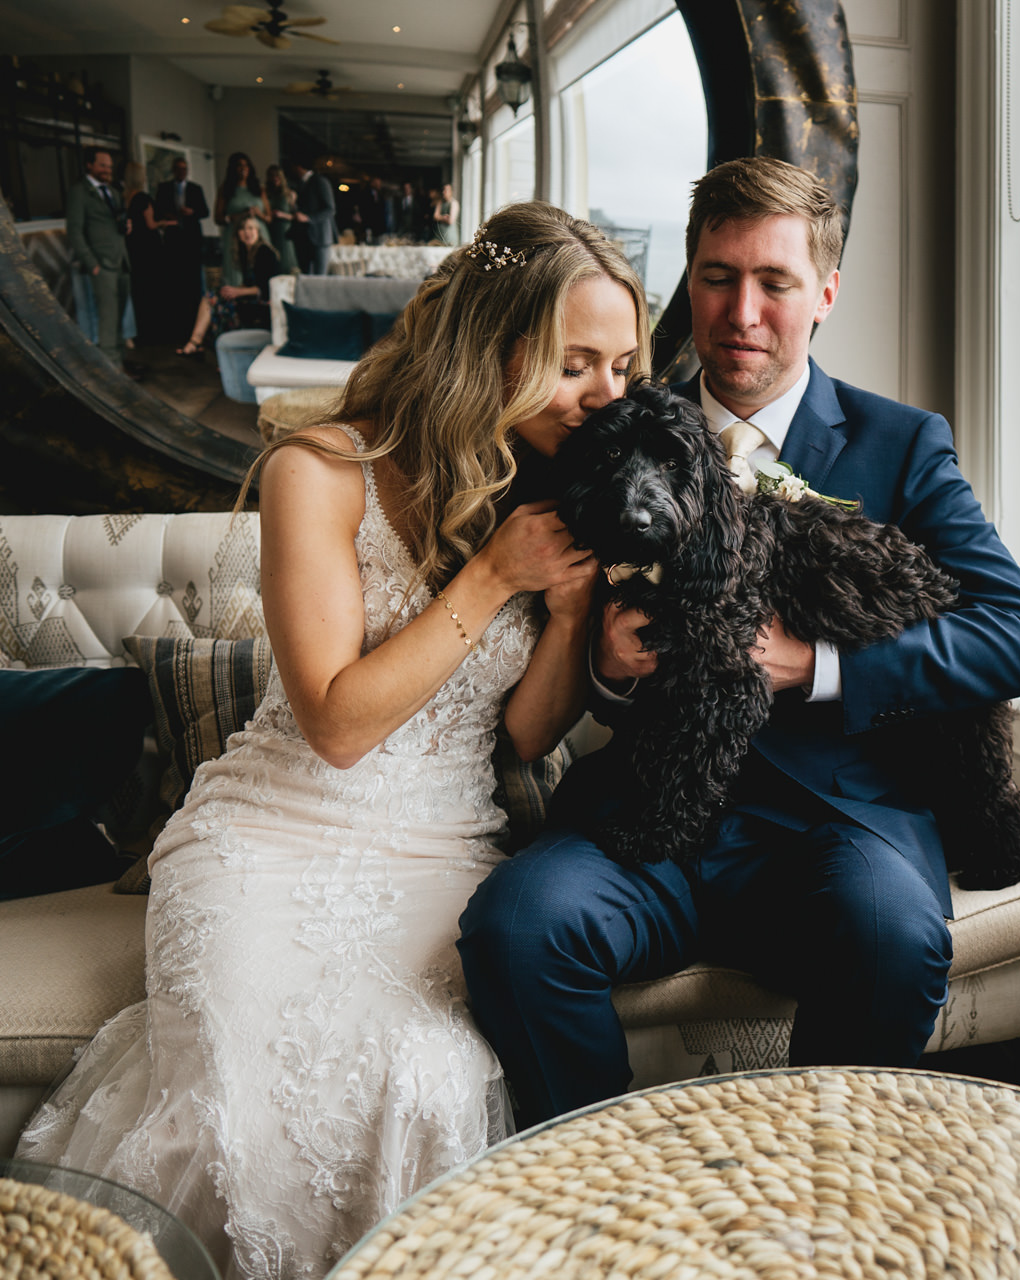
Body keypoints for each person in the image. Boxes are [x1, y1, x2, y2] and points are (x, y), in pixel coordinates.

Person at [17, 203, 648, 1279]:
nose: (608, 397)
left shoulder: (563, 482)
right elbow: (338, 720)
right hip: (269, 834)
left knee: (428, 1077)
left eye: (625, 366)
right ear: (488, 349)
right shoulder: (320, 470)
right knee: (241, 1093)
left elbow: (526, 731)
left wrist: (579, 611)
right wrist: (494, 573)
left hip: (445, 848)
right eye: (575, 363)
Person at [457, 158, 1020, 1127]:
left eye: (774, 282)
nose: (741, 311)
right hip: (651, 819)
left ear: (823, 293)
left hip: (839, 827)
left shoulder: (900, 444)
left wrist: (818, 665)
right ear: (687, 281)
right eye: (717, 276)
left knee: (896, 934)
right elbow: (543, 630)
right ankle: (598, 1187)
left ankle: (811, 1206)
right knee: (517, 924)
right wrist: (606, 668)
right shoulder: (608, 430)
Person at [175, 211, 280, 356]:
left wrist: (237, 292)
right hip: (252, 299)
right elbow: (249, 283)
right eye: (243, 229)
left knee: (216, 302)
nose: (247, 232)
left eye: (251, 228)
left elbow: (267, 288)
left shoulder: (264, 252)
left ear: (258, 231)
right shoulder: (246, 252)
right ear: (238, 233)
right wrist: (233, 290)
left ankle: (204, 346)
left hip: (264, 304)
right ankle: (197, 343)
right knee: (213, 296)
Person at [65, 146, 130, 370]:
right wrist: (91, 263)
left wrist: (126, 227)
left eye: (109, 166)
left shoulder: (113, 192)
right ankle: (113, 371)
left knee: (119, 316)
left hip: (121, 261)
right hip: (101, 265)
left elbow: (114, 225)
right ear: (89, 165)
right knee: (108, 318)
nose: (107, 170)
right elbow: (74, 231)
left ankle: (121, 359)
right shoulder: (79, 192)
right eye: (102, 165)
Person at [153, 157, 209, 344]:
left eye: (184, 168)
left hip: (192, 241)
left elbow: (205, 212)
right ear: (174, 170)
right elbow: (157, 211)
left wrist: (192, 212)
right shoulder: (164, 188)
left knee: (193, 282)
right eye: (178, 168)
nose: (181, 171)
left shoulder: (195, 189)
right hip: (173, 242)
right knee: (175, 282)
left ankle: (195, 321)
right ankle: (177, 324)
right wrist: (167, 216)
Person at [122, 160, 172, 349]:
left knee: (140, 290)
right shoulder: (143, 198)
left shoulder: (125, 198)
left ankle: (141, 331)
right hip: (149, 250)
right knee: (154, 289)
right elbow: (151, 224)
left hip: (133, 249)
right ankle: (157, 331)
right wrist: (165, 223)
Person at [213, 151, 266, 287]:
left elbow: (269, 218)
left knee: (261, 271)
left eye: (246, 165)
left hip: (259, 234)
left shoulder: (258, 189)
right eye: (239, 165)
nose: (243, 168)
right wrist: (233, 217)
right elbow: (217, 218)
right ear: (233, 168)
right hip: (234, 236)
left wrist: (259, 214)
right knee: (236, 273)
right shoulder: (225, 189)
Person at [291, 159, 338, 274]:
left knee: (319, 279)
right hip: (302, 238)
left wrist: (309, 218)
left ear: (298, 167)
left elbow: (330, 209)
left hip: (320, 237)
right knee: (305, 277)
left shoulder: (320, 181)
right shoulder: (297, 184)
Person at [261, 163, 298, 266]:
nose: (274, 178)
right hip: (268, 228)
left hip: (284, 230)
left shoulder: (290, 194)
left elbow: (296, 216)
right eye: (272, 175)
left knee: (286, 259)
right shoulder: (265, 193)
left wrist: (282, 215)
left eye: (277, 175)